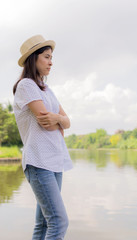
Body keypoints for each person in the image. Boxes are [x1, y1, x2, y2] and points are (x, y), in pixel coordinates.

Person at [13, 35, 73, 240]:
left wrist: (58, 119)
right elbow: (46, 123)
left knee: (43, 224)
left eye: (51, 57)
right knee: (59, 221)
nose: (51, 62)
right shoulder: (26, 85)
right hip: (39, 162)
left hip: (55, 162)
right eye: (46, 57)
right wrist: (59, 120)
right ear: (33, 58)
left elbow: (67, 122)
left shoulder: (47, 90)